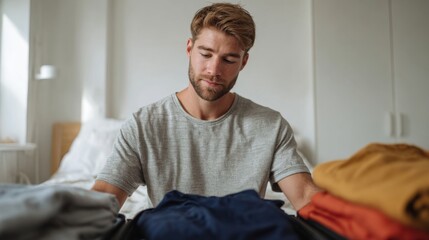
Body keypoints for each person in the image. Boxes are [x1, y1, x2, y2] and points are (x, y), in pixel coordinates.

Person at [92, 2, 320, 211]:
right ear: (189, 49)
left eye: (229, 60)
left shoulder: (270, 126)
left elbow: (304, 194)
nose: (214, 70)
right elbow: (103, 199)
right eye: (206, 54)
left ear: (243, 62)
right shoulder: (144, 126)